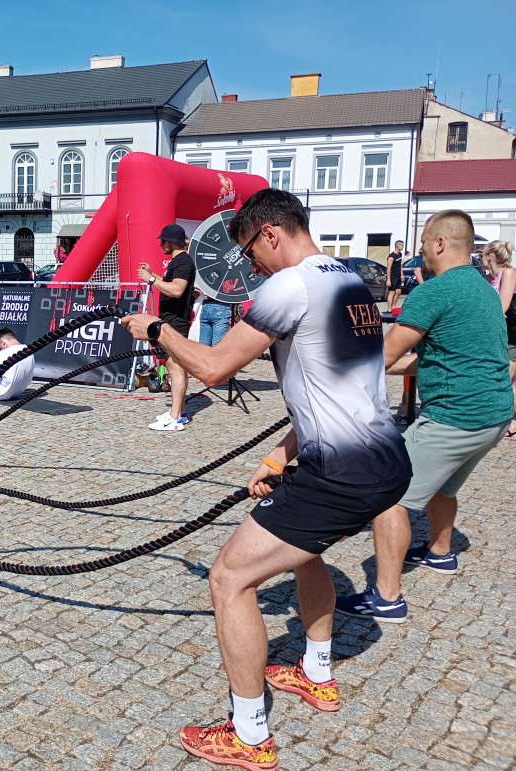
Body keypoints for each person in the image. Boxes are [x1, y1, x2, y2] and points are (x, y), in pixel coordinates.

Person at [122, 188, 411, 770]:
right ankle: (317, 674)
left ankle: (249, 734)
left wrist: (155, 330)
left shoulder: (290, 284)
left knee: (229, 578)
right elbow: (343, 389)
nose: (249, 267)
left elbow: (212, 368)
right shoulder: (352, 281)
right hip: (385, 463)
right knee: (306, 553)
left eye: (249, 251)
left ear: (271, 233)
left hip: (344, 474)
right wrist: (280, 456)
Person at [336, 212, 513, 624]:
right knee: (442, 486)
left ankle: (386, 597)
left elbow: (385, 354)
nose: (418, 252)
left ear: (439, 244)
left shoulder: (431, 292)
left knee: (390, 495)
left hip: (457, 416)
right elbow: (438, 356)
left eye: (421, 243)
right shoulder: (484, 289)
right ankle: (440, 552)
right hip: (495, 415)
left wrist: (336, 372)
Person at [137, 224, 196, 431]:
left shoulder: (182, 262)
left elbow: (178, 290)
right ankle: (180, 412)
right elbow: (171, 284)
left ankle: (175, 418)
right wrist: (154, 274)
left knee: (174, 367)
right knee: (175, 366)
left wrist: (152, 280)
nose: (161, 244)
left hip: (176, 321)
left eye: (163, 240)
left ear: (172, 241)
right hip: (174, 319)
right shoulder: (180, 261)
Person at [482, 240, 516, 437]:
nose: (481, 260)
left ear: (491, 256)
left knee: (508, 378)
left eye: (482, 255)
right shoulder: (486, 279)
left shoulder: (509, 273)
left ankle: (512, 421)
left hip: (513, 332)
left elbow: (502, 306)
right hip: (499, 332)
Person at [386, 240, 404, 310]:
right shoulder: (391, 256)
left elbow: (400, 265)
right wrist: (389, 280)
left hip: (398, 275)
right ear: (397, 246)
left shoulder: (400, 254)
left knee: (398, 291)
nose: (402, 247)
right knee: (392, 292)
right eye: (401, 245)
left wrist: (402, 274)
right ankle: (389, 309)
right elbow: (388, 268)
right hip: (392, 276)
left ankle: (394, 306)